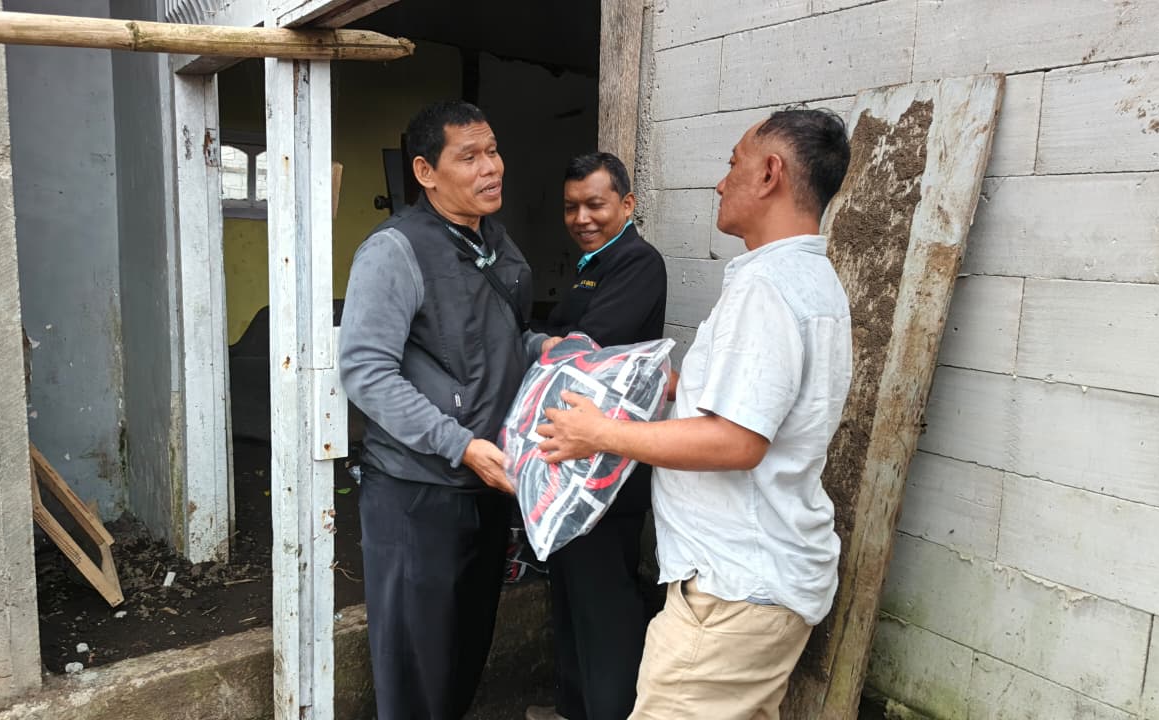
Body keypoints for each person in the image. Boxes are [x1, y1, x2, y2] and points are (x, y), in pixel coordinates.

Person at [537, 108, 852, 720]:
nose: (720, 181)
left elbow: (738, 442)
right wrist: (671, 385)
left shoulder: (765, 288)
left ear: (770, 174)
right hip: (755, 583)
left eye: (733, 164)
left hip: (732, 595)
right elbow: (755, 406)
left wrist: (601, 433)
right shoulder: (806, 277)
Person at [339, 100, 556, 720]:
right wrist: (456, 443)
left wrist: (546, 347)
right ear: (426, 172)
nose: (492, 168)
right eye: (470, 156)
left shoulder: (496, 243)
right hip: (417, 493)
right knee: (418, 667)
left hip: (486, 482)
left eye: (493, 151)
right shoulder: (395, 251)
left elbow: (503, 340)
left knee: (464, 653)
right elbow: (365, 371)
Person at [526, 153, 667, 720]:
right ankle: (573, 708)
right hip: (574, 462)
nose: (581, 218)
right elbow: (564, 337)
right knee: (569, 595)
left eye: (595, 205)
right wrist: (547, 340)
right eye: (571, 207)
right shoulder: (594, 263)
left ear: (626, 205)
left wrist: (537, 341)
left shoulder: (637, 262)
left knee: (603, 606)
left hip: (609, 469)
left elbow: (582, 348)